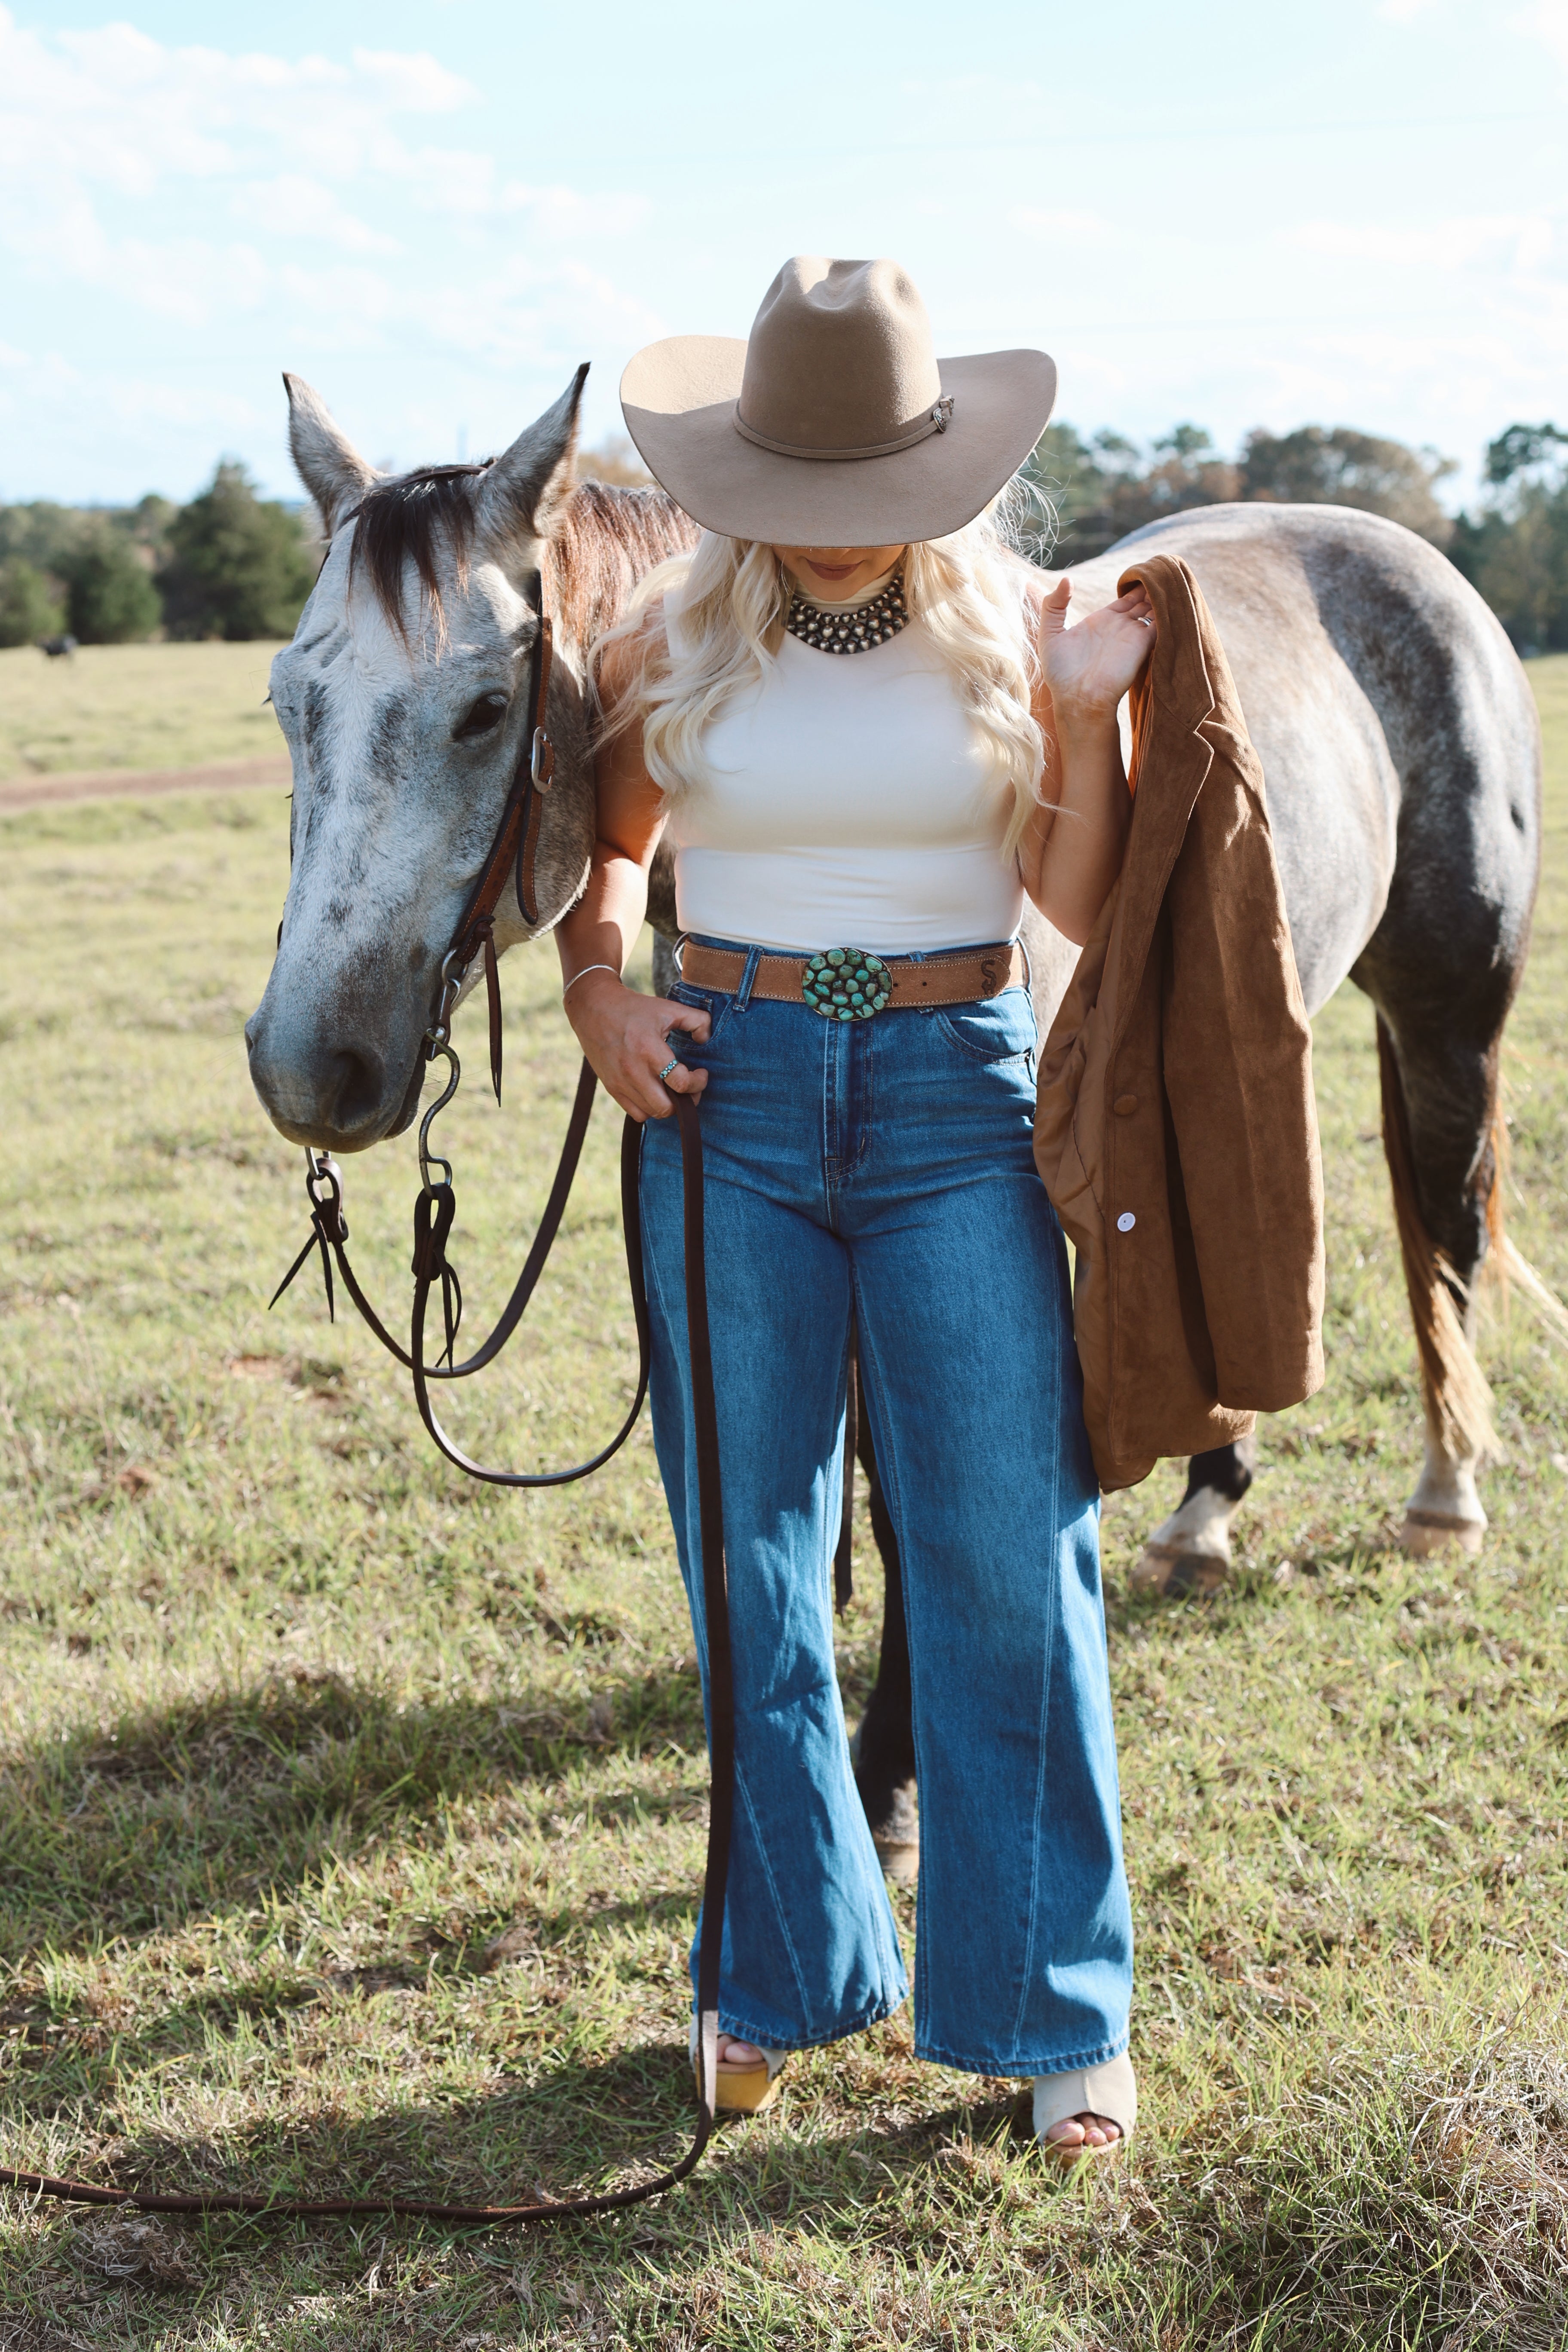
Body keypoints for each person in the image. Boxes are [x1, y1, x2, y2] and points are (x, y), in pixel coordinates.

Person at [553, 256, 1155, 2160]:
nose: (827, 542)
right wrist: (596, 991)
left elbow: (1071, 905)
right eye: (794, 498)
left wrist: (1081, 724)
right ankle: (774, 1967)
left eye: (863, 498)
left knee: (1001, 1553)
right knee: (751, 1567)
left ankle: (1055, 2008)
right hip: (719, 1100)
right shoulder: (663, 646)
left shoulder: (1017, 634)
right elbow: (607, 869)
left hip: (946, 1097)